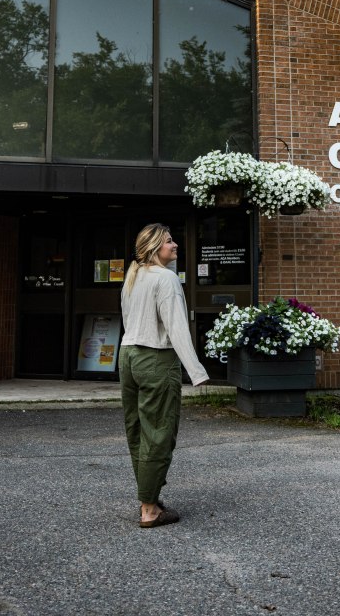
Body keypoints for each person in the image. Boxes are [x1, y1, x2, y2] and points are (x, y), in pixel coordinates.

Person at [119, 223, 209, 528]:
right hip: (156, 358)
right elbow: (176, 327)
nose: (175, 245)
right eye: (169, 241)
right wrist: (196, 371)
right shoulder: (167, 278)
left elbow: (128, 318)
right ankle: (149, 510)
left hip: (128, 356)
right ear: (156, 247)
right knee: (158, 433)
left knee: (137, 431)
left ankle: (150, 497)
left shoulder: (133, 275)